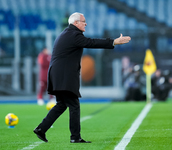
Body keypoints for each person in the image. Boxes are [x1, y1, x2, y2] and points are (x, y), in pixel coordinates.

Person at [33, 12, 131, 143]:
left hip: (57, 75)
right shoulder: (74, 35)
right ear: (75, 23)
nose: (86, 23)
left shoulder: (66, 33)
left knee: (62, 104)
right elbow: (91, 42)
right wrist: (113, 42)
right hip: (64, 76)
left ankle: (41, 128)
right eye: (83, 21)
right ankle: (75, 137)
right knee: (74, 105)